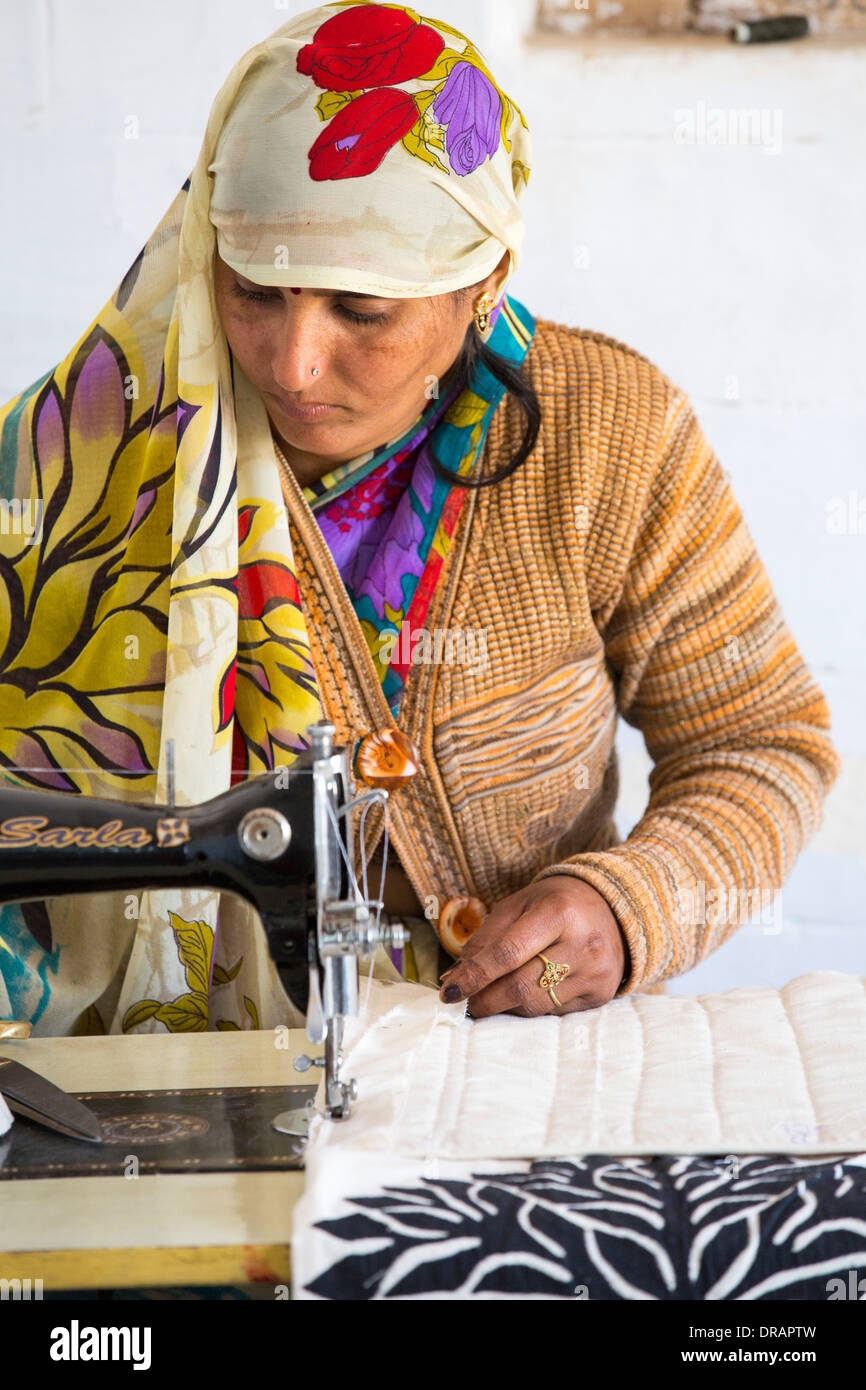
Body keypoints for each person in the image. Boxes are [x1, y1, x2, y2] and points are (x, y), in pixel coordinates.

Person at [0, 3, 839, 1037]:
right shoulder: (75, 467)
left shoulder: (613, 436)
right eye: (253, 288)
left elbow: (760, 742)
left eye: (362, 311)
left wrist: (634, 907)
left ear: (480, 280)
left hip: (526, 1070)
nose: (292, 363)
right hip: (180, 1072)